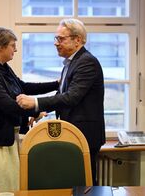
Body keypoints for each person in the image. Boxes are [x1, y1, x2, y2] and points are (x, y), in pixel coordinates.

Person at [16, 18, 105, 185]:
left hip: (85, 134)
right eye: (56, 38)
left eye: (61, 39)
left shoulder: (86, 62)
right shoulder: (70, 63)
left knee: (84, 185)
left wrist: (35, 102)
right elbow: (62, 93)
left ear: (77, 40)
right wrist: (41, 111)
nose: (56, 43)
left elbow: (72, 97)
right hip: (73, 132)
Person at [0, 27, 59, 193]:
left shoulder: (3, 67)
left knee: (9, 187)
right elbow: (8, 105)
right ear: (1, 47)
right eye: (13, 45)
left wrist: (56, 84)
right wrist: (36, 110)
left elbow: (23, 87)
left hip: (6, 137)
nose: (16, 49)